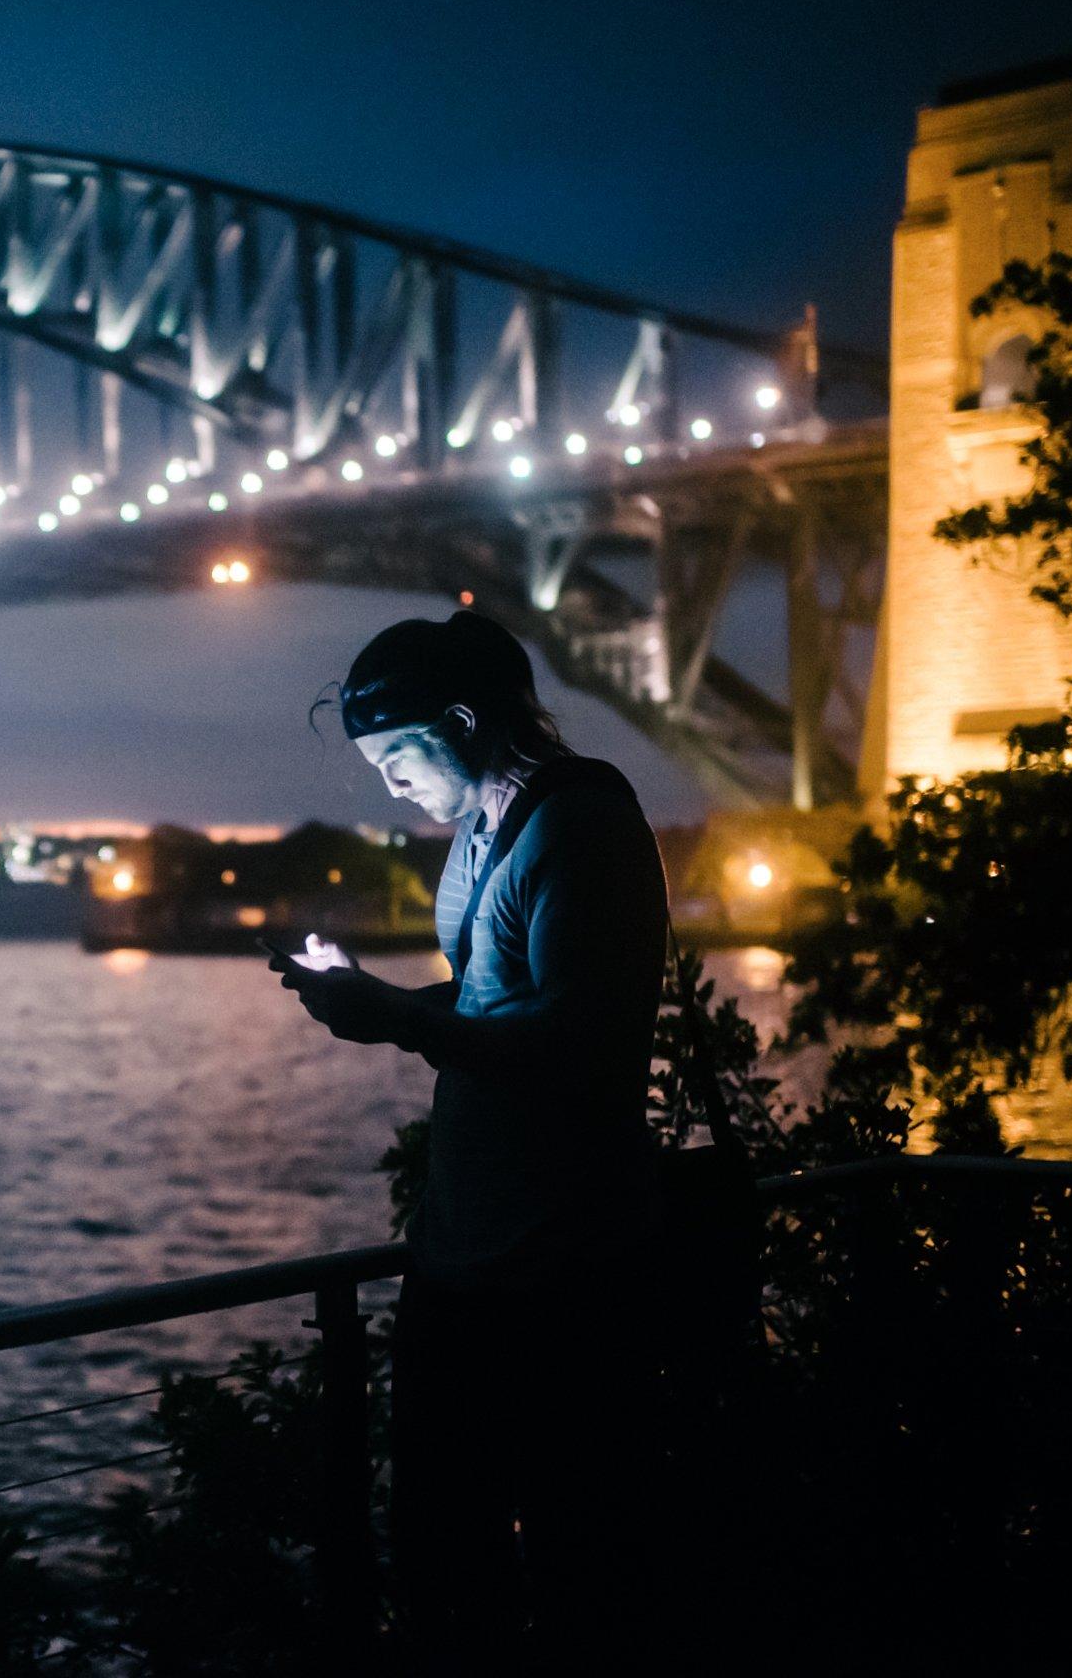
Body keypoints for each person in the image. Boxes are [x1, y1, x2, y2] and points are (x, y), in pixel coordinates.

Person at [272, 608, 671, 1668]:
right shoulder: (480, 831)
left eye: (397, 754)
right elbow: (496, 999)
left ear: (459, 719)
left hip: (562, 1263)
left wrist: (395, 1017)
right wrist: (378, 998)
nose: (388, 782)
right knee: (446, 1557)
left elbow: (576, 1040)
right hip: (461, 1256)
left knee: (576, 1562)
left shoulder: (577, 825)